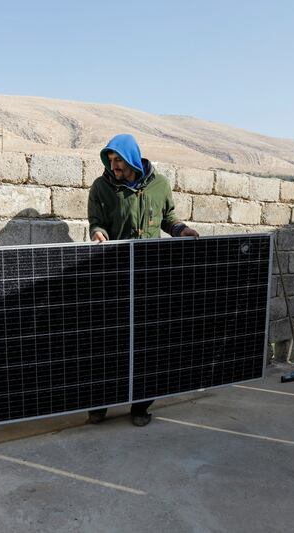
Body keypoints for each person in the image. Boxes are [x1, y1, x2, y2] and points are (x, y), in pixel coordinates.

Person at [87, 133, 199, 426]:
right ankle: (100, 404)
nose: (114, 167)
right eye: (110, 161)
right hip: (114, 275)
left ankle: (140, 407)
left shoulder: (160, 185)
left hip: (150, 277)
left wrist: (181, 230)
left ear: (133, 159)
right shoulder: (102, 187)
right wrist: (98, 232)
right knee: (109, 342)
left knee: (148, 344)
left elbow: (168, 218)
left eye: (119, 161)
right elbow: (96, 222)